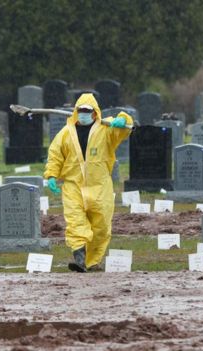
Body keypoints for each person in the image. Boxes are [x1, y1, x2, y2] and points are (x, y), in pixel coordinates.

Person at [44, 93, 132, 272]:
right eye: (81, 110)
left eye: (87, 110)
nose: (83, 113)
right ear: (76, 111)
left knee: (101, 227)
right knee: (75, 221)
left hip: (100, 186)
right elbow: (55, 155)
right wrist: (51, 175)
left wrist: (123, 120)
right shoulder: (66, 133)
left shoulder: (106, 129)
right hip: (73, 185)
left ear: (94, 112)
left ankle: (93, 262)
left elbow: (125, 129)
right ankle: (80, 258)